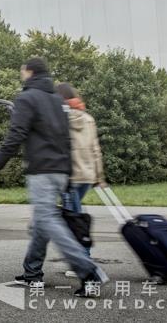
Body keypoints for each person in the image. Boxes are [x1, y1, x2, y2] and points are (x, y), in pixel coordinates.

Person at [0, 57, 108, 297]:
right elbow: (65, 139)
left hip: (42, 171)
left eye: (22, 71)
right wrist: (69, 174)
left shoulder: (26, 98)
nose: (22, 74)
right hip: (61, 170)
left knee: (49, 222)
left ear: (29, 72)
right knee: (43, 222)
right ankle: (32, 274)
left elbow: (16, 135)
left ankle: (89, 271)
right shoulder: (57, 100)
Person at [56, 82, 106, 270]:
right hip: (87, 175)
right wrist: (99, 176)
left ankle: (83, 262)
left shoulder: (60, 118)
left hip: (69, 177)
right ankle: (81, 260)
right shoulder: (88, 118)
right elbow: (96, 149)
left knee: (74, 221)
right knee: (74, 216)